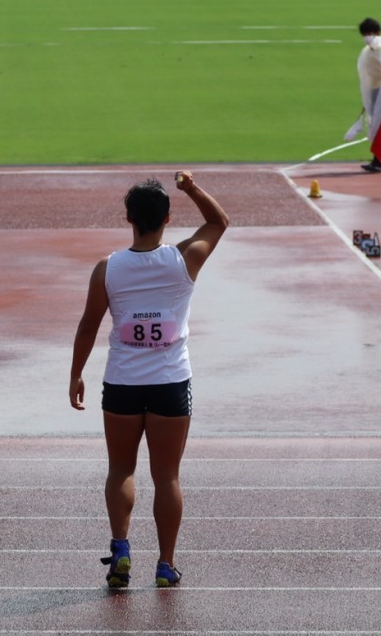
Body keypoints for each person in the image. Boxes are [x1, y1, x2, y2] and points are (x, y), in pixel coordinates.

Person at [69, 172, 229, 590]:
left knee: (121, 468)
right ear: (167, 218)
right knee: (167, 476)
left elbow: (88, 326)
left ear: (128, 218)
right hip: (170, 382)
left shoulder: (109, 268)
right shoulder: (184, 260)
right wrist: (192, 188)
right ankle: (165, 565)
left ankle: (121, 550)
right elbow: (219, 223)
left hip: (122, 381)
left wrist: (75, 375)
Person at [351, 18, 381, 173]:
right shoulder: (367, 51)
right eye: (365, 34)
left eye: (370, 33)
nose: (367, 36)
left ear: (377, 33)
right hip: (374, 90)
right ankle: (377, 159)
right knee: (375, 124)